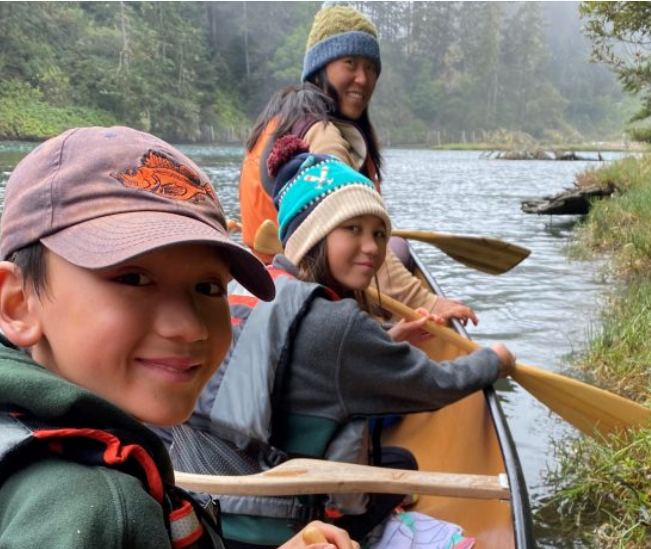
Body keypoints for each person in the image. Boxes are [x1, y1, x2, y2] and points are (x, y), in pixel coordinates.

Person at [0, 126, 359, 549]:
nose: (189, 328)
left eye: (209, 288)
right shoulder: (95, 510)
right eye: (134, 278)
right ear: (18, 304)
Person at [171, 137, 517, 547]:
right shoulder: (338, 325)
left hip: (203, 508)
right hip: (276, 527)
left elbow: (291, 365)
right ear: (315, 236)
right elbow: (436, 385)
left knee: (396, 462)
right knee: (399, 470)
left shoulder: (248, 289)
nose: (371, 248)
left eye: (378, 233)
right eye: (353, 229)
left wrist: (389, 338)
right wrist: (494, 360)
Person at [237, 3, 477, 325]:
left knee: (397, 244)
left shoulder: (286, 117)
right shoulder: (320, 133)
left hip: (271, 274)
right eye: (350, 63)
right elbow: (348, 223)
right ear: (320, 68)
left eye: (371, 68)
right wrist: (426, 301)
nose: (363, 79)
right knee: (395, 249)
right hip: (302, 292)